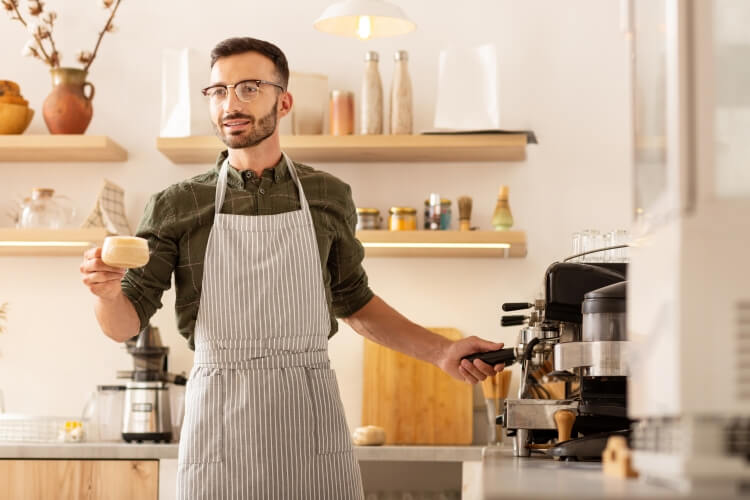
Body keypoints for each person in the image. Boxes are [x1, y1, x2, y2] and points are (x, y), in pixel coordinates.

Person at [80, 37, 505, 500]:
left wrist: (442, 352)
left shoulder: (328, 195)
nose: (230, 103)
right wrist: (106, 294)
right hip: (220, 421)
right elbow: (124, 323)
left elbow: (355, 302)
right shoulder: (177, 204)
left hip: (308, 412)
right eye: (218, 91)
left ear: (284, 101)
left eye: (248, 88)